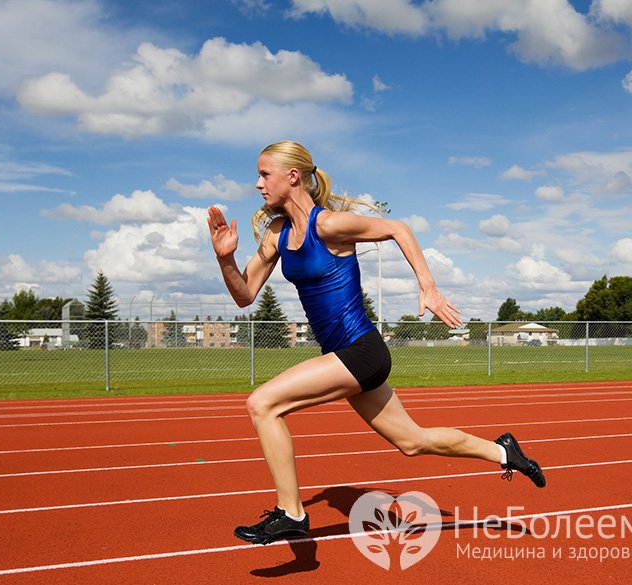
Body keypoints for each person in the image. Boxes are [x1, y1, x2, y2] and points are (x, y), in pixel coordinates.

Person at [207, 140, 545, 546]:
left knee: (262, 404)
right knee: (412, 441)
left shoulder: (329, 224)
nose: (258, 184)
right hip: (343, 356)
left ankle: (291, 513)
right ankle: (505, 452)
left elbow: (398, 228)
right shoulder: (278, 235)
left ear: (292, 176)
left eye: (264, 174)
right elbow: (245, 295)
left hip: (361, 351)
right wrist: (225, 259)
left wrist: (429, 286)